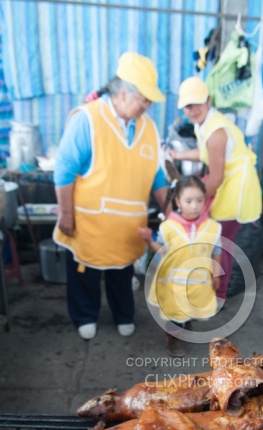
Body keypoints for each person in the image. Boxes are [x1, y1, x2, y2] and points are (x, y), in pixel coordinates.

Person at [53, 52, 168, 340]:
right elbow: (64, 170)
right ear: (122, 92)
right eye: (144, 98)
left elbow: (157, 175)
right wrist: (66, 214)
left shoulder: (149, 128)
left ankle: (123, 315)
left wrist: (172, 213)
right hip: (89, 224)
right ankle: (85, 315)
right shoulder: (88, 119)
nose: (148, 105)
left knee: (121, 272)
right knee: (85, 272)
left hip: (127, 229)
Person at [168, 76, 262, 303]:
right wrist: (177, 155)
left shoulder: (216, 131)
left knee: (221, 245)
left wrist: (189, 203)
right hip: (226, 183)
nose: (193, 110)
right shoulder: (204, 124)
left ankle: (218, 296)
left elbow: (217, 177)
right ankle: (209, 289)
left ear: (208, 101)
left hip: (235, 188)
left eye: (197, 104)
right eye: (188, 106)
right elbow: (204, 153)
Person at [139, 175, 221, 357]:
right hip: (173, 283)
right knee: (174, 313)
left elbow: (216, 251)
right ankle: (173, 339)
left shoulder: (212, 227)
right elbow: (161, 250)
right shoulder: (168, 227)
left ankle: (186, 321)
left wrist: (216, 275)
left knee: (192, 306)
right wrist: (148, 240)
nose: (194, 206)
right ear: (178, 202)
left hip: (198, 282)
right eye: (189, 201)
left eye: (199, 200)